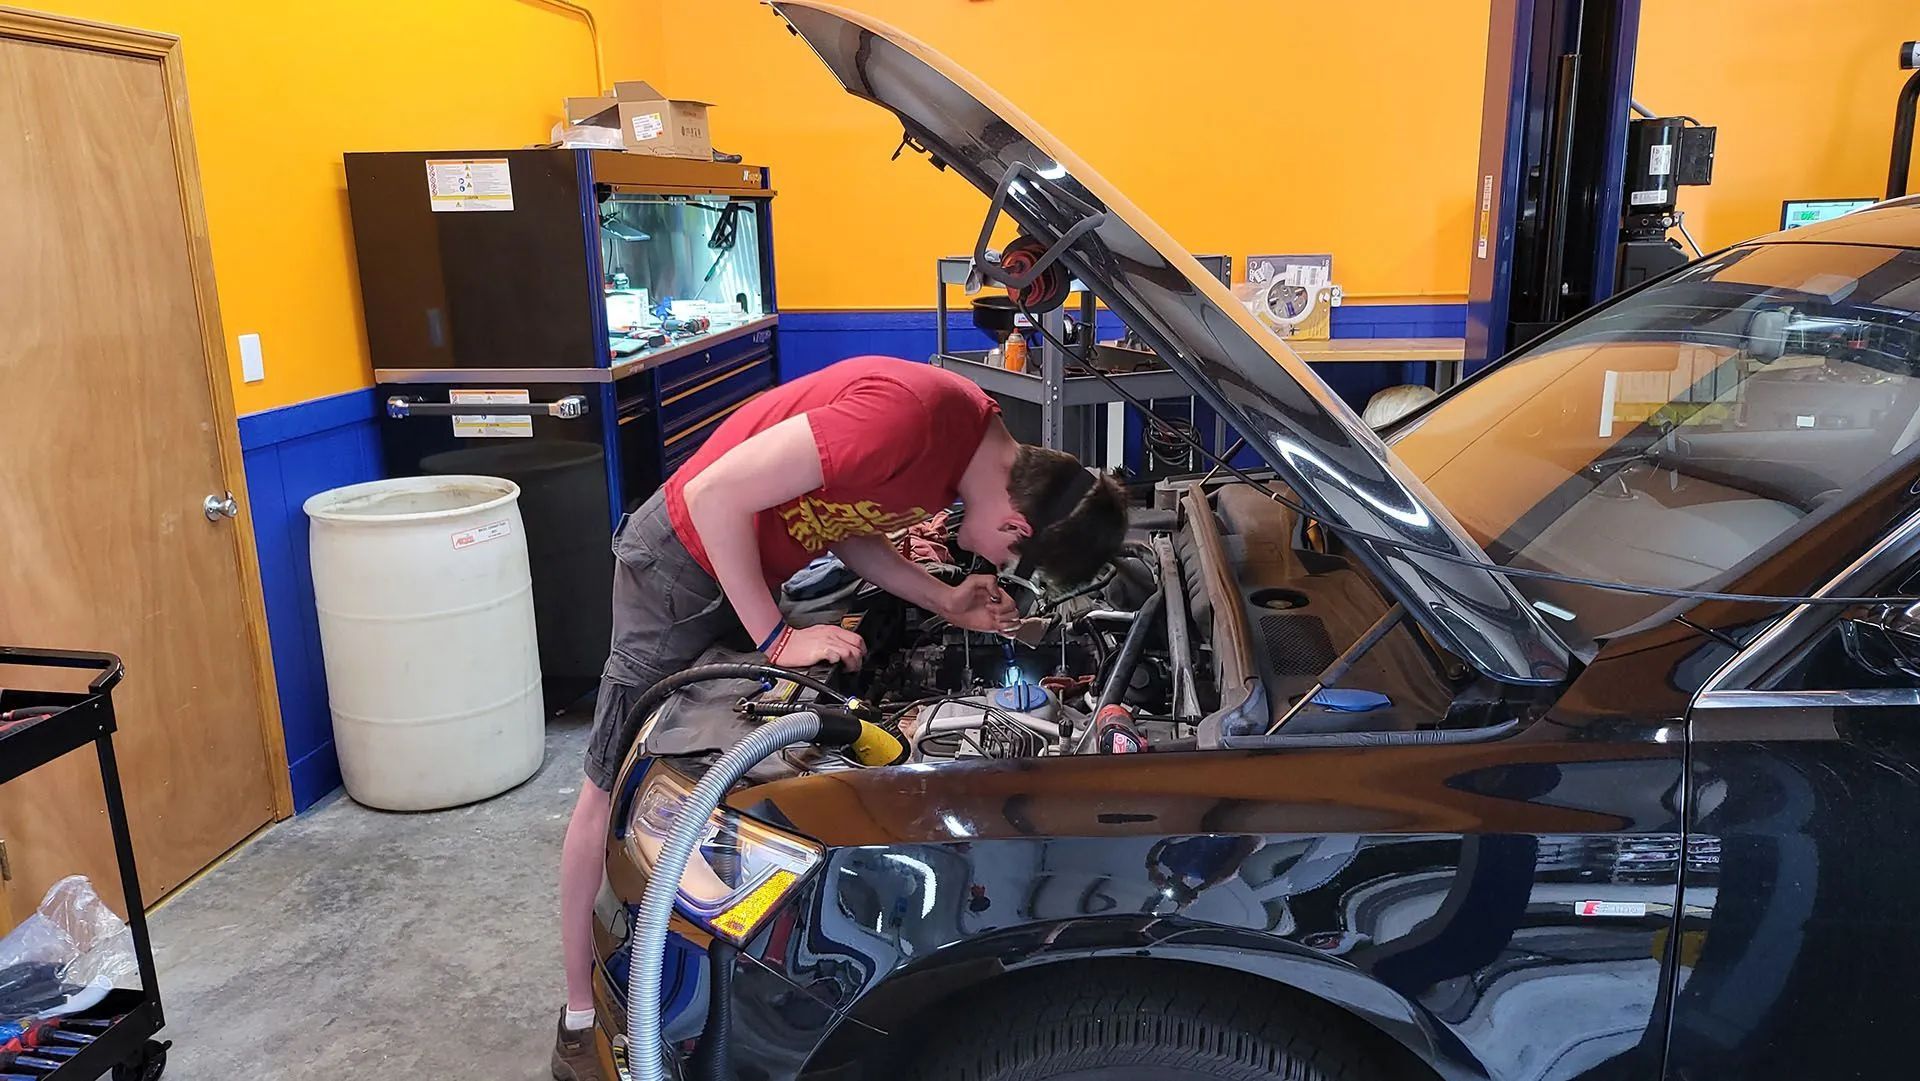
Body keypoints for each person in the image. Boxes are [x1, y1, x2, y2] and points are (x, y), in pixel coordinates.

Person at [553, 355, 1128, 1079]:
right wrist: (776, 639)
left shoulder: (963, 450)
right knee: (610, 785)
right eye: (1007, 558)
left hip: (743, 564)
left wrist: (945, 600)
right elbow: (712, 494)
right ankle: (579, 1020)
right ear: (1016, 524)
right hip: (678, 566)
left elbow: (843, 523)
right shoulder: (910, 423)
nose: (981, 556)